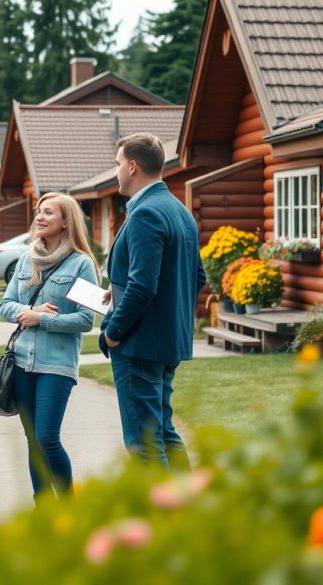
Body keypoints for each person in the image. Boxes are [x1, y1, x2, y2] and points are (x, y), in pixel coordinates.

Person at [99, 133, 206, 468]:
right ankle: (188, 512)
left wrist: (114, 331)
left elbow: (144, 286)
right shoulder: (179, 210)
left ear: (132, 166)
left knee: (143, 443)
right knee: (163, 430)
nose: (115, 172)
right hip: (168, 342)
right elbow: (196, 276)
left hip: (139, 345)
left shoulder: (146, 213)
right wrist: (119, 291)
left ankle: (161, 518)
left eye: (117, 164)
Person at [0, 193, 99, 500]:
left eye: (48, 213)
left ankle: (68, 506)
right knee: (32, 439)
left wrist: (42, 319)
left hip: (57, 364)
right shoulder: (27, 260)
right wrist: (26, 313)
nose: (39, 217)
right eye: (39, 212)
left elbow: (86, 320)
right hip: (22, 361)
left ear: (66, 221)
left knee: (47, 437)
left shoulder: (82, 264)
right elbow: (4, 305)